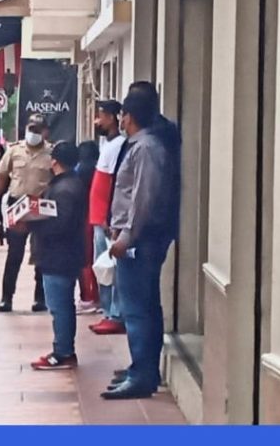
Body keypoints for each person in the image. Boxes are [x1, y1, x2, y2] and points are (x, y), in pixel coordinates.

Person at [102, 89, 176, 400]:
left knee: (136, 310)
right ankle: (142, 368)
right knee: (143, 307)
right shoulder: (139, 145)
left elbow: (143, 197)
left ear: (128, 117)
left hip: (141, 241)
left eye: (122, 114)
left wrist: (125, 236)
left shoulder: (145, 148)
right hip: (136, 238)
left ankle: (143, 375)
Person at [16, 141, 86, 370]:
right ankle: (63, 349)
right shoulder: (66, 184)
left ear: (54, 161)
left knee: (60, 306)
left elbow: (61, 224)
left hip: (59, 255)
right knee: (61, 304)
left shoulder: (66, 189)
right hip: (59, 254)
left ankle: (63, 351)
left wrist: (31, 226)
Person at [0, 113, 54, 313]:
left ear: (45, 132)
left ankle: (40, 298)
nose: (33, 133)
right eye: (30, 129)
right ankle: (6, 298)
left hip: (41, 205)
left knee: (41, 253)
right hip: (18, 204)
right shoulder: (14, 151)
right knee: (14, 254)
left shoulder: (51, 153)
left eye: (37, 130)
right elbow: (0, 178)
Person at [88, 100, 127, 335]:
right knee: (103, 267)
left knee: (113, 267)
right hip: (98, 217)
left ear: (112, 118)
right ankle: (107, 311)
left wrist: (108, 216)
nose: (96, 121)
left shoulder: (120, 145)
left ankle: (115, 313)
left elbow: (116, 185)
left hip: (106, 219)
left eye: (100, 116)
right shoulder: (107, 144)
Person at [75, 140, 101, 315]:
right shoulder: (98, 168)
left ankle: (89, 297)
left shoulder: (79, 170)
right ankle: (97, 296)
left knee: (85, 258)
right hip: (96, 217)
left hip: (83, 217)